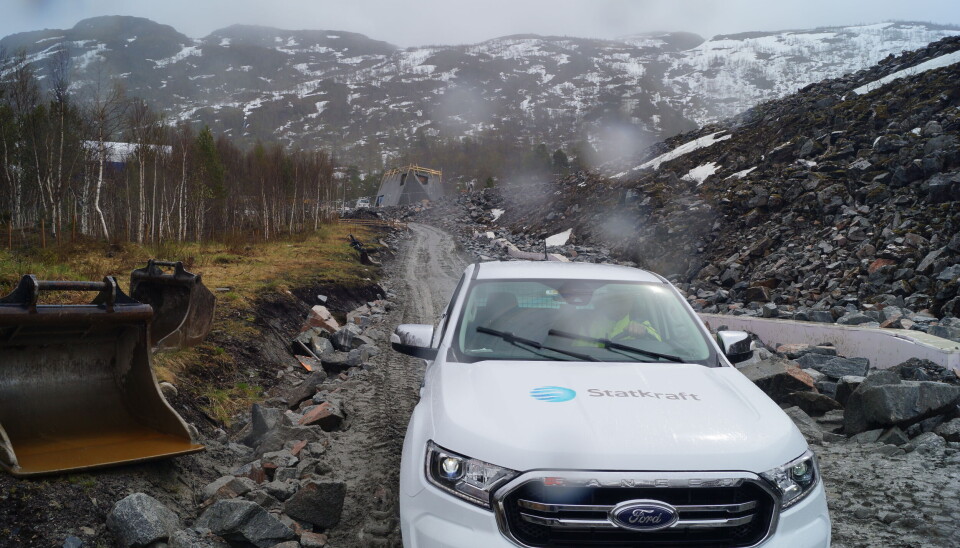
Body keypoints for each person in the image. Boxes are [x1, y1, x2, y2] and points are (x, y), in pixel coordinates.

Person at [586, 287, 661, 343]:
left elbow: (659, 343)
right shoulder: (588, 324)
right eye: (616, 302)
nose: (620, 307)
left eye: (625, 302)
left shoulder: (641, 323)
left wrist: (644, 333)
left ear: (632, 303)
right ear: (607, 302)